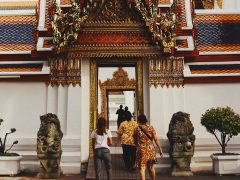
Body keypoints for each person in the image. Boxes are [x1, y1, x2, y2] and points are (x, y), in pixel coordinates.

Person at [134, 114, 163, 180]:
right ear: (145, 120)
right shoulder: (151, 127)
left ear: (139, 120)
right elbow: (156, 139)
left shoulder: (136, 129)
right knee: (151, 167)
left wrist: (138, 146)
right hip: (151, 149)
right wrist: (160, 149)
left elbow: (134, 140)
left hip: (142, 150)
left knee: (142, 168)